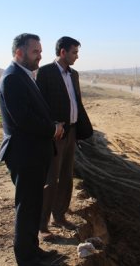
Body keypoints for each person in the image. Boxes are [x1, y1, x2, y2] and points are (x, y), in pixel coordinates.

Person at [0, 33, 64, 266]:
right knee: (26, 208)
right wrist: (52, 129)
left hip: (34, 153)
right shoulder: (12, 79)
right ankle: (26, 259)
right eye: (35, 51)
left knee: (34, 205)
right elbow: (24, 120)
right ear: (19, 53)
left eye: (40, 50)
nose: (40, 55)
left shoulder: (25, 76)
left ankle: (34, 251)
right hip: (24, 154)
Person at [36, 36, 91, 240]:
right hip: (56, 134)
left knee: (67, 177)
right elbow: (40, 104)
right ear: (62, 52)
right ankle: (42, 226)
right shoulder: (46, 73)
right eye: (74, 52)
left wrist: (82, 128)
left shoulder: (73, 74)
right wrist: (51, 127)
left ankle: (60, 216)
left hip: (72, 132)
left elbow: (77, 102)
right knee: (51, 179)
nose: (77, 56)